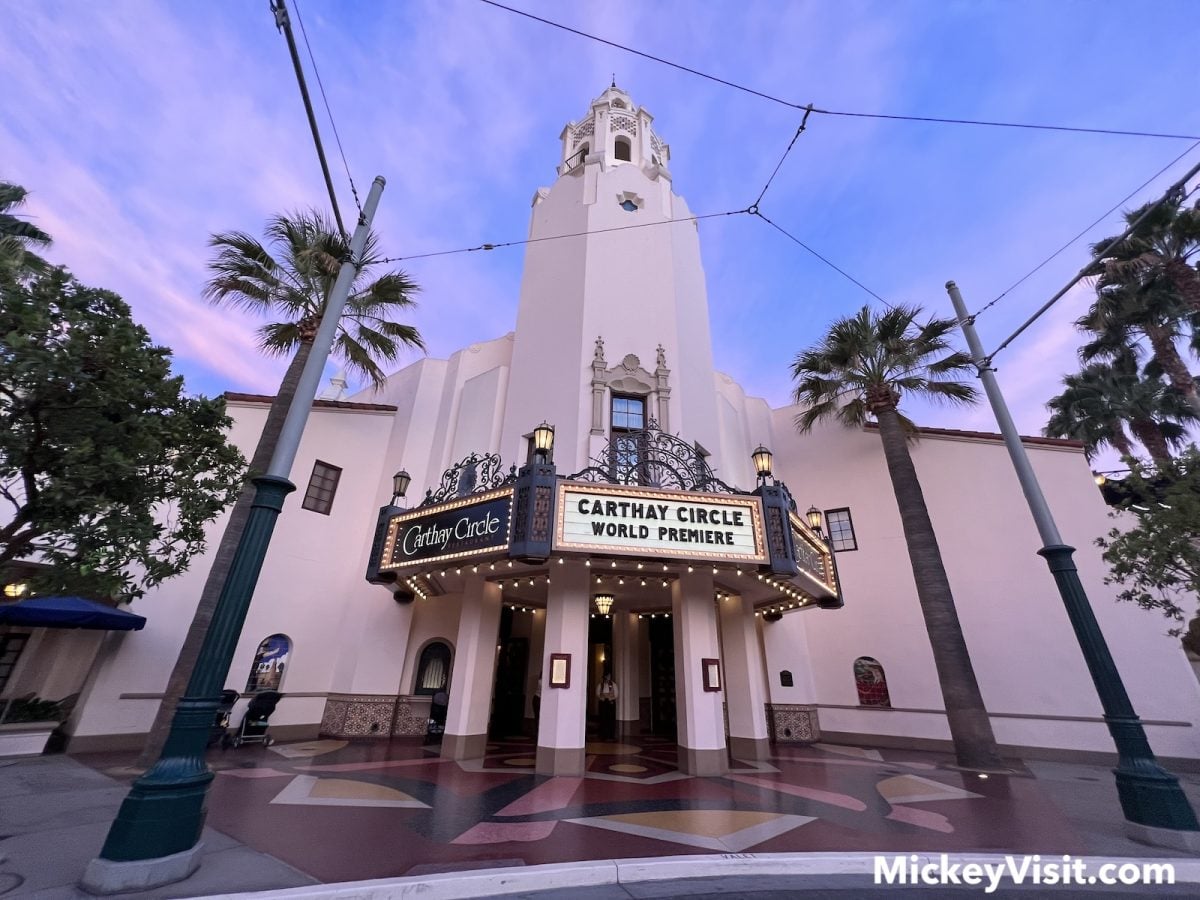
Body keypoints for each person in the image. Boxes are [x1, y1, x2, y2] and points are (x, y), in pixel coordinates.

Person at [597, 672, 618, 740]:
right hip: (603, 703)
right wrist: (602, 698)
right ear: (604, 677)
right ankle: (603, 735)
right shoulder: (600, 685)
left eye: (609, 676)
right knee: (603, 718)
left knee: (611, 719)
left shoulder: (613, 684)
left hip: (610, 702)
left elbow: (616, 694)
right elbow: (598, 694)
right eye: (607, 676)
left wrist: (610, 698)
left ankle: (611, 735)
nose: (608, 678)